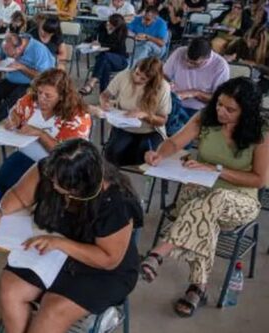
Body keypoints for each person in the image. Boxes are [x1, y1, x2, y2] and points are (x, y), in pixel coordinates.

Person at [0, 138, 142, 333]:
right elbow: (19, 196)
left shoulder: (116, 201)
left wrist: (62, 244)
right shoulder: (53, 169)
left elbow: (109, 258)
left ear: (83, 186)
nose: (51, 185)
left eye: (59, 184)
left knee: (54, 307)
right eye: (51, 178)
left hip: (103, 268)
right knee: (10, 289)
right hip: (55, 246)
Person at [140, 79, 268, 317]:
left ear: (246, 112)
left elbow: (259, 180)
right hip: (203, 196)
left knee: (213, 199)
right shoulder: (205, 118)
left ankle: (160, 251)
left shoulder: (261, 134)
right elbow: (174, 142)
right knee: (203, 210)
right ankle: (198, 287)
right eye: (219, 104)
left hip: (241, 202)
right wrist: (158, 155)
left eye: (230, 109)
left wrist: (217, 169)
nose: (221, 111)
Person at [0, 68, 92, 195]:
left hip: (57, 165)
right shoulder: (30, 100)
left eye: (48, 96)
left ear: (62, 96)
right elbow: (15, 113)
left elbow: (67, 154)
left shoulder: (77, 116)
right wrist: (14, 120)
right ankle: (3, 208)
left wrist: (41, 134)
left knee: (39, 194)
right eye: (39, 92)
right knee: (1, 181)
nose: (41, 99)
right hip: (26, 155)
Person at [94, 57, 171, 166]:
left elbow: (162, 120)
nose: (137, 79)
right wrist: (104, 102)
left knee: (144, 157)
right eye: (136, 73)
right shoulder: (124, 76)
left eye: (143, 79)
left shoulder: (163, 87)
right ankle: (112, 179)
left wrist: (144, 115)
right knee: (111, 153)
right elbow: (105, 94)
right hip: (124, 126)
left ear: (152, 80)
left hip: (149, 131)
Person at [0, 32, 55, 131]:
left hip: (33, 83)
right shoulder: (9, 44)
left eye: (14, 55)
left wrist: (22, 67)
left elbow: (44, 77)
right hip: (12, 80)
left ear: (19, 48)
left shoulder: (38, 50)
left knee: (14, 98)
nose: (13, 58)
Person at [163, 38, 230, 117]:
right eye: (186, 59)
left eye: (194, 63)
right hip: (173, 102)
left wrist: (195, 93)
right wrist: (167, 84)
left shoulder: (220, 66)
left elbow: (219, 99)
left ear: (207, 59)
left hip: (199, 109)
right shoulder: (180, 52)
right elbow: (163, 75)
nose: (188, 64)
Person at [79, 13, 128, 94]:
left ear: (116, 26)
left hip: (120, 60)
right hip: (104, 60)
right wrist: (87, 42)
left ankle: (91, 82)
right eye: (108, 22)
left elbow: (116, 47)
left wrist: (101, 44)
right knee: (105, 65)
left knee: (105, 57)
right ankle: (103, 95)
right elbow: (94, 36)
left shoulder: (122, 31)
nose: (108, 24)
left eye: (111, 24)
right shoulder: (103, 26)